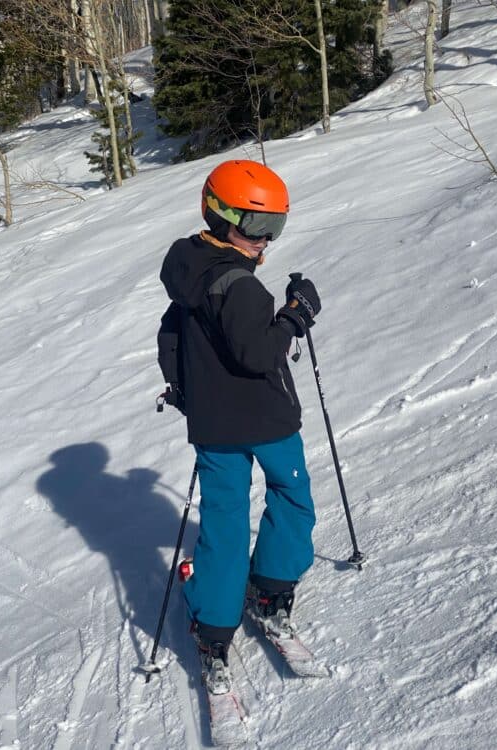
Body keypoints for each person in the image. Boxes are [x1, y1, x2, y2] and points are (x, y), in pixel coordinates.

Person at [159, 159, 321, 693]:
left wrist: (186, 396)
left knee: (225, 523)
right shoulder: (242, 287)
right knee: (291, 499)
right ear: (220, 216)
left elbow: (172, 340)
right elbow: (259, 353)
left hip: (214, 428)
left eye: (274, 227)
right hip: (267, 420)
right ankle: (269, 592)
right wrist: (295, 315)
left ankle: (214, 628)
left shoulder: (188, 268)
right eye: (256, 228)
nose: (265, 240)